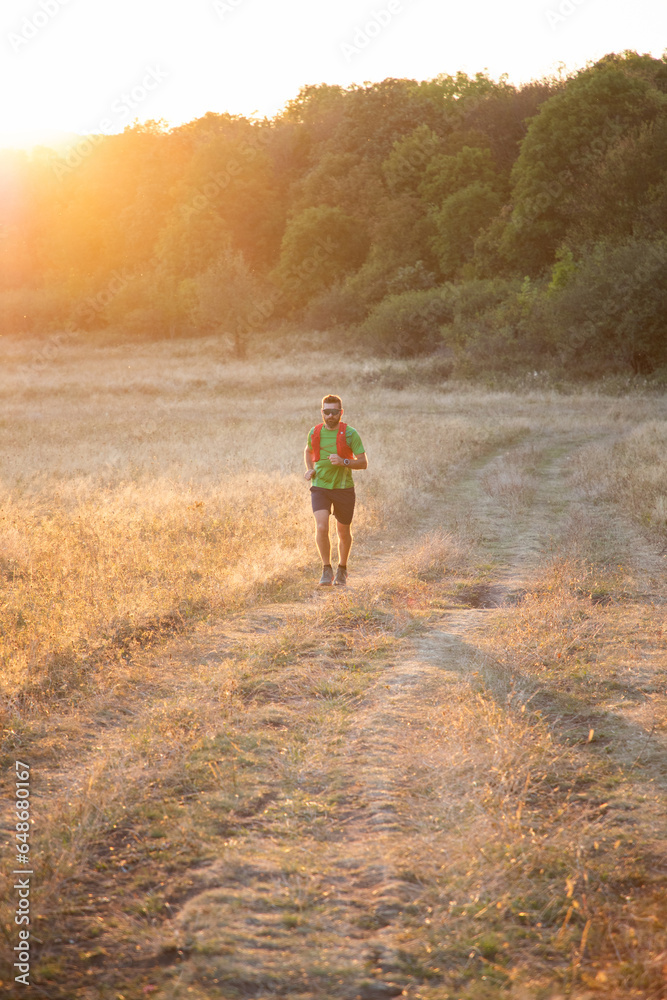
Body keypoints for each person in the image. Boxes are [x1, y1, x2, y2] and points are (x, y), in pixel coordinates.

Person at [304, 395, 367, 586]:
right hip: (320, 486)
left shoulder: (350, 433)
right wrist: (309, 468)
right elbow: (308, 451)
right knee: (322, 526)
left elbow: (363, 462)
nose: (330, 415)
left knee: (343, 531)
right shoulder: (314, 431)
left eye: (334, 412)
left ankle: (342, 568)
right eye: (326, 411)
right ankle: (326, 569)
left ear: (341, 412)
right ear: (321, 412)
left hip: (343, 488)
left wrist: (344, 461)